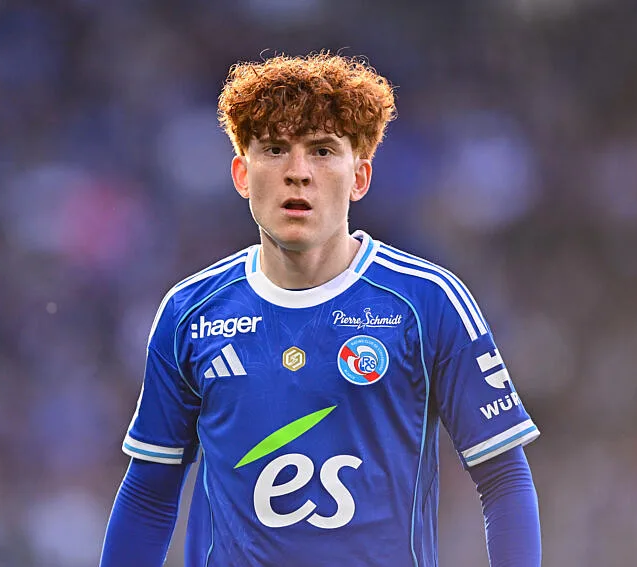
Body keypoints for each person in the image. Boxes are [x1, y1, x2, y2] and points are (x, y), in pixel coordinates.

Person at [99, 52, 542, 567]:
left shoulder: (427, 302)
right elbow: (149, 494)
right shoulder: (189, 313)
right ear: (242, 174)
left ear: (360, 177)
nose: (298, 173)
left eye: (323, 150)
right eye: (274, 149)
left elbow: (503, 478)